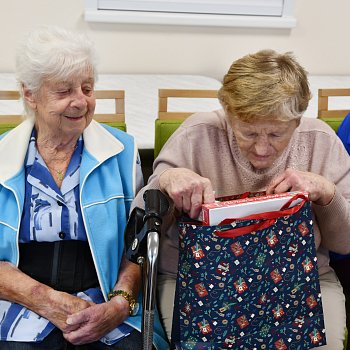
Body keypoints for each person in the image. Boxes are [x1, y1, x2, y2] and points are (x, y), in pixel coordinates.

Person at [132, 49, 350, 349]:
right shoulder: (197, 136)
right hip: (200, 284)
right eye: (247, 133)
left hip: (300, 280)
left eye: (275, 134)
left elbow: (346, 244)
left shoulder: (321, 142)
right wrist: (166, 183)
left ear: (297, 122)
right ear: (228, 114)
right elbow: (139, 232)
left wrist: (327, 192)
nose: (261, 148)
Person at [0, 26, 168, 350]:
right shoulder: (4, 158)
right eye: (64, 91)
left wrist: (120, 303)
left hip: (102, 298)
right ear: (30, 94)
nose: (81, 102)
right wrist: (47, 302)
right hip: (20, 300)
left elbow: (137, 243)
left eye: (87, 88)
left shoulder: (120, 150)